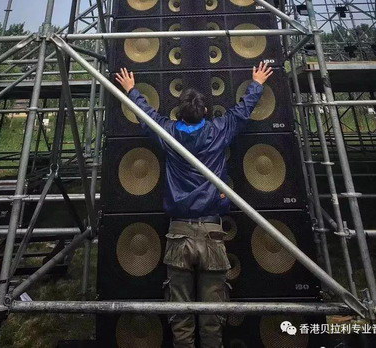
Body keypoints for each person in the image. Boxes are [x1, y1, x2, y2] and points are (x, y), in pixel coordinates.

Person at [115, 62, 273, 348]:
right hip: (212, 232)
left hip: (179, 234)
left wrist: (131, 90)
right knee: (213, 314)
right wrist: (257, 84)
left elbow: (146, 115)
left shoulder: (168, 134)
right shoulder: (218, 130)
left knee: (180, 313)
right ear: (205, 112)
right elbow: (241, 112)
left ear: (179, 113)